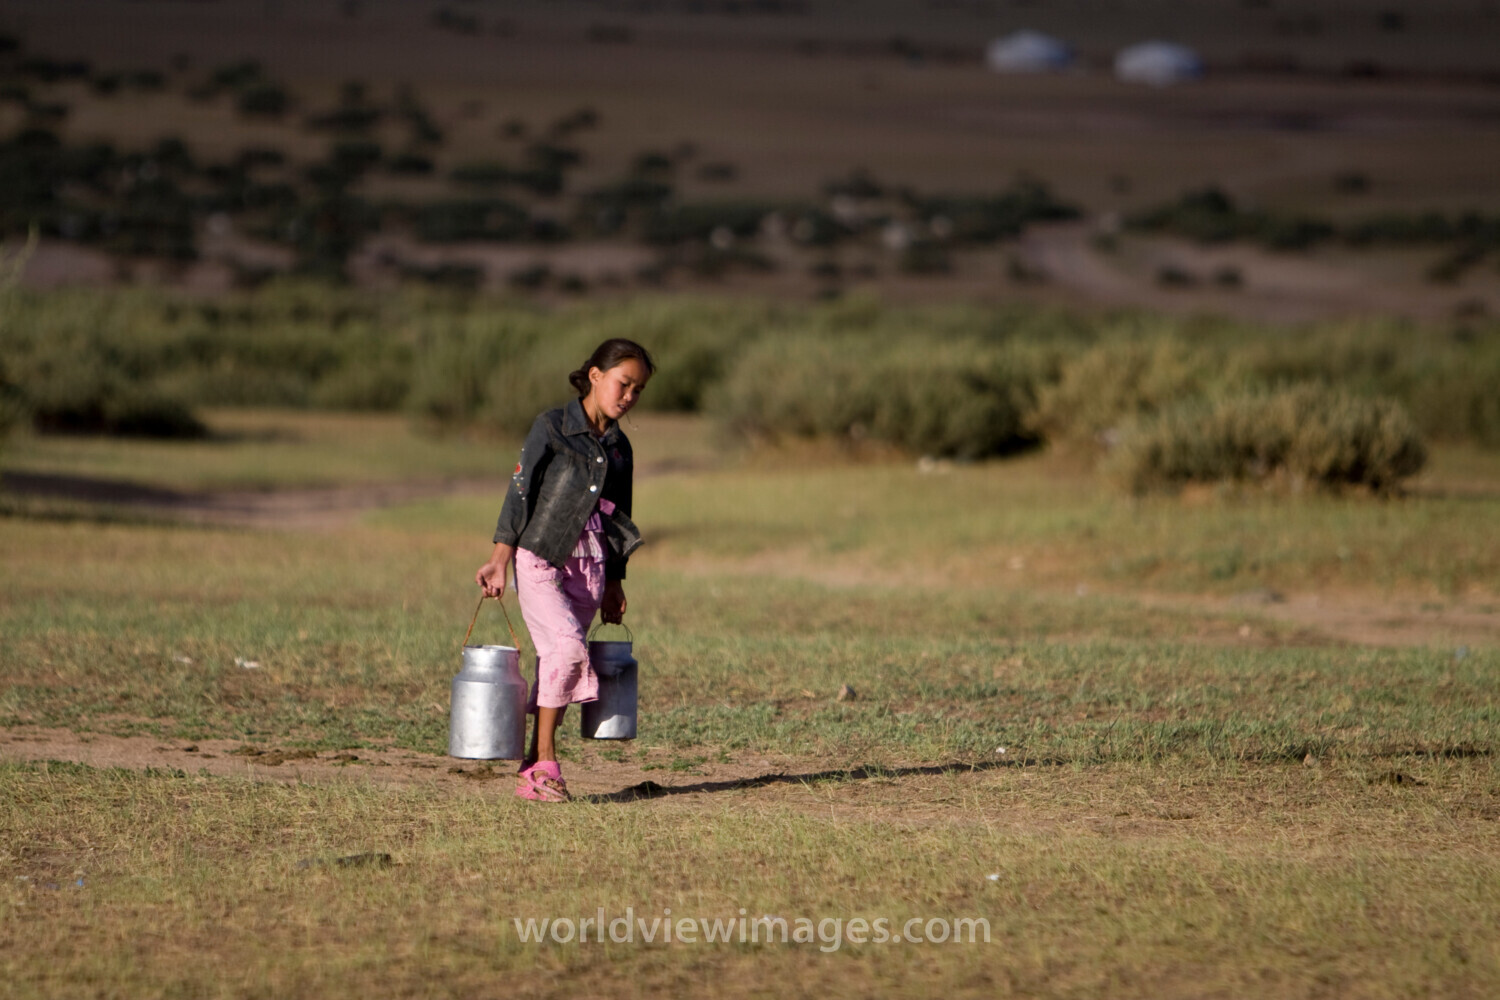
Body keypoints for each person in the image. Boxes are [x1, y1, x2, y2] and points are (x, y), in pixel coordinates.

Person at [475, 339, 654, 802]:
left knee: (557, 660)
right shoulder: (551, 427)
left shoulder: (620, 448)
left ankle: (532, 768)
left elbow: (619, 517)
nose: (629, 396)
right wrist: (499, 559)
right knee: (570, 650)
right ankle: (546, 763)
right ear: (595, 375)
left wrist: (614, 582)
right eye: (624, 383)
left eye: (638, 390)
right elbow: (520, 493)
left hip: (591, 567)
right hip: (538, 557)